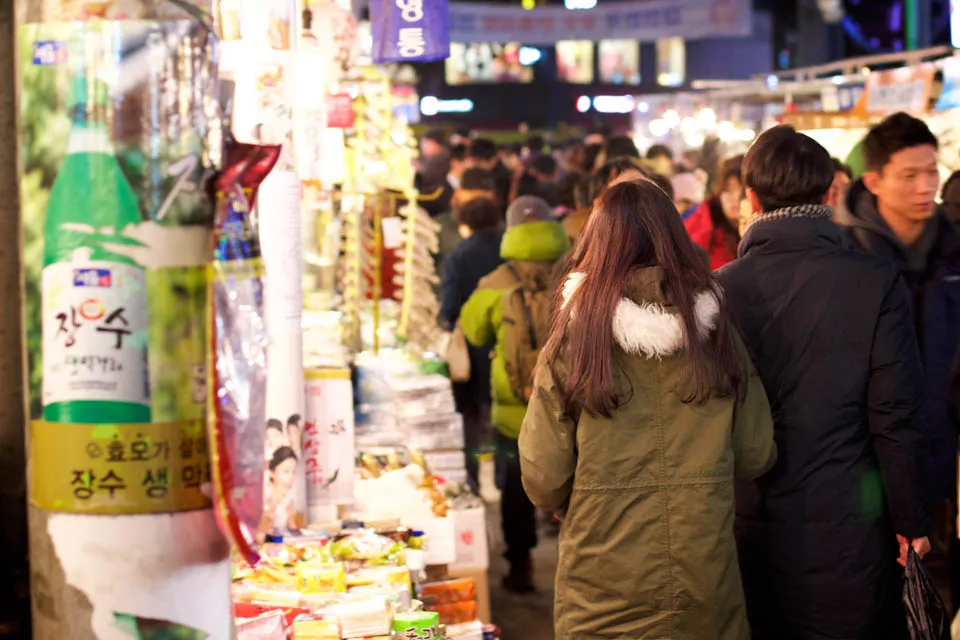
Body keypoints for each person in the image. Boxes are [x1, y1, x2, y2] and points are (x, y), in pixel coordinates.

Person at [520, 178, 776, 638]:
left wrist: (572, 500)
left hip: (601, 581)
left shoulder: (573, 340)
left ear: (597, 242)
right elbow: (756, 452)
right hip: (705, 575)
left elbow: (543, 475)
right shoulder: (717, 334)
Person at [718, 125, 931, 638]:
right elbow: (895, 415)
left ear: (750, 199)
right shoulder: (876, 281)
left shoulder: (718, 290)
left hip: (749, 520)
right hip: (852, 525)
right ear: (832, 193)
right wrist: (912, 520)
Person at [838, 113, 960, 517]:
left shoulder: (953, 251)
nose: (926, 186)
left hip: (945, 449)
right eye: (909, 176)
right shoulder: (845, 257)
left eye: (931, 172)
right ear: (873, 181)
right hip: (864, 462)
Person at [460, 195, 569, 593]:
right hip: (574, 408)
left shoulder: (496, 283)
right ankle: (573, 567)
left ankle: (520, 566)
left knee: (515, 488)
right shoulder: (575, 271)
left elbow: (473, 331)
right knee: (576, 485)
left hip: (514, 411)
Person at [440, 197, 505, 490]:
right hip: (507, 343)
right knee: (506, 420)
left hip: (472, 349)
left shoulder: (458, 256)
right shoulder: (509, 252)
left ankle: (474, 482)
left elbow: (449, 309)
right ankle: (507, 481)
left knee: (471, 418)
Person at [435, 168, 498, 277]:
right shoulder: (439, 227)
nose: (476, 205)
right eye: (472, 197)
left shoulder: (500, 232)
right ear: (459, 193)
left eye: (482, 198)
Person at [685, 156, 744, 270]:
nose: (735, 197)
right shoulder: (703, 225)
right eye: (728, 189)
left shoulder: (758, 230)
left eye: (741, 190)